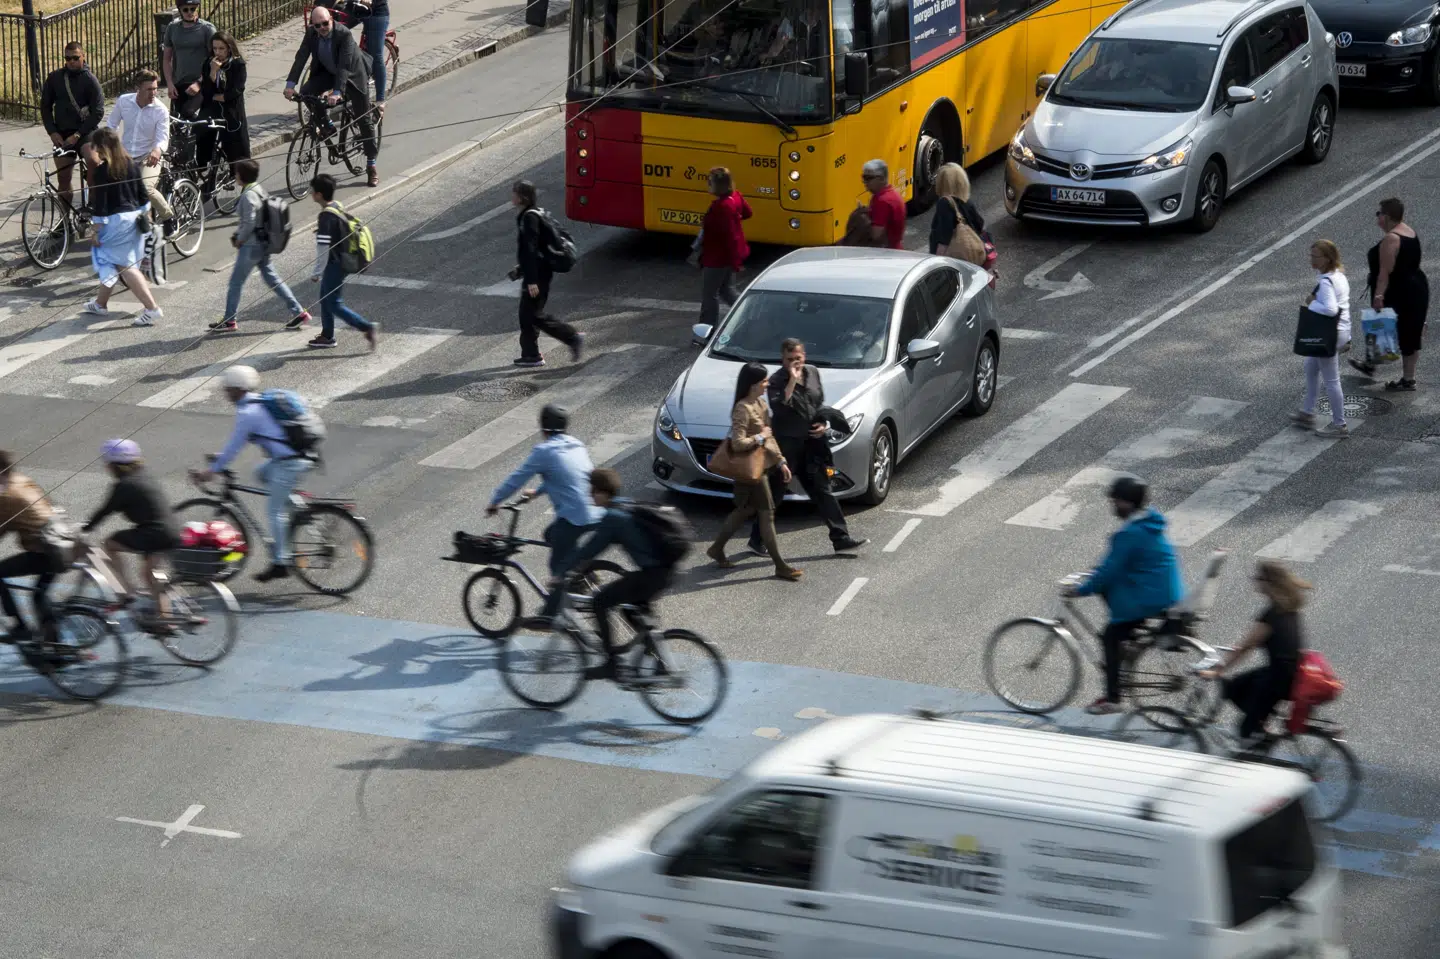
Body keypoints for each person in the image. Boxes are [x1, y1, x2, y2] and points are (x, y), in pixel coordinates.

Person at [1064, 476, 1184, 716]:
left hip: (1149, 596)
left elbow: (1109, 569)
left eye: (1115, 501)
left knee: (1110, 636)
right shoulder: (1149, 523)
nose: (1113, 505)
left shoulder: (1129, 533)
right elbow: (1116, 566)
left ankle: (1113, 699)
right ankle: (1127, 642)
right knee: (1109, 594)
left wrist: (1080, 590)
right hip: (1164, 592)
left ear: (1127, 503)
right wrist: (1097, 576)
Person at [485, 404, 604, 627]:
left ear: (543, 427)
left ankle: (550, 615)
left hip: (575, 516)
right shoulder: (576, 444)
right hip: (597, 509)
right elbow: (567, 477)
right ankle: (582, 575)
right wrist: (538, 492)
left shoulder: (544, 451)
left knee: (557, 564)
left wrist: (495, 501)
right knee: (551, 534)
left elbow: (516, 479)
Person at [552, 469, 677, 680]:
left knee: (599, 601)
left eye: (593, 491)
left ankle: (611, 664)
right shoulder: (625, 504)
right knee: (631, 610)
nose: (590, 495)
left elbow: (589, 549)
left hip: (652, 575)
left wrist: (560, 572)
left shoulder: (613, 517)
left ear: (603, 492)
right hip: (664, 571)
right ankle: (660, 661)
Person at [192, 366, 314, 583]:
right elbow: (244, 441)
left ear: (237, 389)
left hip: (290, 462)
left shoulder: (248, 413)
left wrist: (210, 472)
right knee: (261, 473)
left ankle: (281, 563)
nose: (225, 393)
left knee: (274, 511)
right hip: (294, 456)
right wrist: (220, 458)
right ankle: (295, 504)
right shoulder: (259, 403)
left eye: (228, 389)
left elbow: (234, 447)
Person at [747, 338, 866, 555]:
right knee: (775, 495)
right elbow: (780, 409)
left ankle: (841, 539)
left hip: (811, 446)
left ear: (804, 356)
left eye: (798, 358)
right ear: (783, 359)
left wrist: (823, 424)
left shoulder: (812, 372)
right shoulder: (776, 381)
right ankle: (757, 539)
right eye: (789, 359)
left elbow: (817, 403)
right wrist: (792, 381)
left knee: (823, 491)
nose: (795, 362)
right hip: (786, 448)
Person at [706, 362, 802, 580]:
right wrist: (760, 436)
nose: (767, 384)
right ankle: (780, 565)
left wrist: (781, 461)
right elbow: (738, 443)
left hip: (761, 468)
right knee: (767, 515)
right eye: (764, 381)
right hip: (751, 471)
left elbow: (770, 438)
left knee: (744, 510)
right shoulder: (742, 408)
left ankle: (716, 548)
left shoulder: (761, 404)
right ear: (752, 385)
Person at [1200, 561, 1307, 741]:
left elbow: (1246, 647)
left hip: (1279, 680)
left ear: (1269, 583)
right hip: (1289, 673)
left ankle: (1257, 734)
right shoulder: (1289, 609)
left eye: (1259, 578)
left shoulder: (1272, 614)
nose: (1255, 581)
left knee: (1245, 731)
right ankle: (1261, 723)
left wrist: (1217, 670)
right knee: (1236, 686)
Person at [82, 439, 181, 620]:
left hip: (154, 532)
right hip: (171, 529)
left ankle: (126, 592)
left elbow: (105, 511)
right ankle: (166, 620)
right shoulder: (145, 475)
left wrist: (85, 529)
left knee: (109, 544)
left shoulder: (124, 485)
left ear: (115, 465)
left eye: (107, 463)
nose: (106, 467)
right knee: (150, 574)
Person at [210, 158, 311, 334]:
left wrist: (240, 238)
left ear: (241, 175)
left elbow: (249, 222)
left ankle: (229, 320)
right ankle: (299, 312)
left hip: (251, 246)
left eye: (236, 173)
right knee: (273, 279)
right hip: (262, 243)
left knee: (235, 283)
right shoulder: (257, 188)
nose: (235, 175)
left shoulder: (248, 195)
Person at [284, 6, 379, 187]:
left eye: (325, 23)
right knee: (306, 93)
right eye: (317, 25)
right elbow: (301, 57)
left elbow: (344, 66)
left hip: (353, 75)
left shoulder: (343, 34)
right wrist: (290, 85)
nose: (321, 28)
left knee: (363, 119)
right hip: (328, 72)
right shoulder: (311, 33)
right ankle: (327, 125)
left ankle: (371, 164)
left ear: (331, 20)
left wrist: (337, 92)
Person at [79, 128, 164, 328]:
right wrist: (147, 214)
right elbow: (143, 194)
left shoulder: (102, 171)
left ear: (102, 147)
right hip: (135, 218)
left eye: (96, 147)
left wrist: (95, 230)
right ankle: (100, 304)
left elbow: (101, 204)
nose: (95, 151)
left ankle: (152, 308)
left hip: (116, 223)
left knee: (125, 267)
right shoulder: (131, 165)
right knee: (112, 261)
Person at [1351, 197, 1428, 391]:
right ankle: (1382, 368)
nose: (1377, 217)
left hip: (1400, 291)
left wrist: (1378, 296)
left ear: (1387, 216)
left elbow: (1385, 272)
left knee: (1387, 325)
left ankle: (1404, 378)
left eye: (1379, 214)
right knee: (1409, 331)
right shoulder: (1408, 231)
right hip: (1416, 287)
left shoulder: (1391, 239)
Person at [509, 180, 583, 368]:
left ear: (522, 197)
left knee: (533, 315)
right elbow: (537, 249)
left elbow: (531, 249)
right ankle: (530, 354)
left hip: (539, 274)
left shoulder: (529, 218)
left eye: (514, 193)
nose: (512, 196)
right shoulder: (533, 214)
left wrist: (531, 280)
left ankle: (571, 337)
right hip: (539, 270)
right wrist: (521, 269)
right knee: (527, 314)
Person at [0, 450, 66, 645]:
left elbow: (3, 526)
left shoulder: (7, 496)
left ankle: (21, 627)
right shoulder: (21, 480)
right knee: (40, 595)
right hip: (61, 542)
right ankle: (55, 645)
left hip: (47, 552)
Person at [308, 172, 377, 350]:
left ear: (319, 195)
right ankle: (327, 336)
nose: (310, 193)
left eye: (312, 191)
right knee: (325, 298)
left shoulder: (325, 216)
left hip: (335, 264)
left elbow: (323, 248)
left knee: (333, 303)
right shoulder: (336, 206)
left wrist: (316, 272)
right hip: (341, 259)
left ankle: (366, 327)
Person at [1291, 240, 1351, 438]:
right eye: (1311, 255)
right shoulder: (1338, 275)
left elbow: (1331, 309)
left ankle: (1339, 424)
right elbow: (1342, 306)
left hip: (1330, 334)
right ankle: (1307, 413)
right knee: (1310, 365)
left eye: (1315, 256)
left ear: (1327, 259)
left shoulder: (1326, 282)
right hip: (1340, 331)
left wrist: (1312, 303)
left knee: (1332, 380)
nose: (1312, 259)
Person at [105, 69, 175, 234]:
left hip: (148, 157)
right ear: (138, 88)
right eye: (149, 89)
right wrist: (111, 145)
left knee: (145, 187)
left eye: (155, 88)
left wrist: (157, 150)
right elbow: (112, 124)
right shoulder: (124, 101)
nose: (153, 93)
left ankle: (168, 217)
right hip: (126, 156)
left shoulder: (160, 110)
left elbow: (163, 138)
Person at [39, 41, 103, 209]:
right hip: (62, 133)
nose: (71, 62)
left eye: (75, 58)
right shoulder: (55, 78)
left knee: (94, 161)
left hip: (85, 132)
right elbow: (45, 107)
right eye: (67, 58)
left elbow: (98, 112)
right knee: (63, 178)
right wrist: (52, 132)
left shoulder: (91, 80)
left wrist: (78, 134)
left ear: (83, 56)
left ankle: (93, 206)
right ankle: (65, 219)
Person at [197, 31, 250, 200]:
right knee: (201, 131)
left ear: (229, 48)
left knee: (234, 142)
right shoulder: (209, 63)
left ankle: (236, 173)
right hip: (212, 107)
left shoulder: (237, 64)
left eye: (222, 48)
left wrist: (221, 96)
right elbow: (206, 91)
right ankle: (203, 168)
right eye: (215, 48)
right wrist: (213, 73)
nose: (218, 52)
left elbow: (236, 90)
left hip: (231, 110)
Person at [698, 167, 751, 328]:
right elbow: (748, 213)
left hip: (716, 257)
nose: (708, 185)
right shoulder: (736, 197)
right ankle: (748, 313)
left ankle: (707, 328)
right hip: (727, 256)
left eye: (710, 182)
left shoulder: (721, 207)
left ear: (718, 185)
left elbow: (729, 237)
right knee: (726, 290)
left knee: (710, 295)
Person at [162, 1, 216, 120]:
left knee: (188, 112)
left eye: (193, 9)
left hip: (201, 83)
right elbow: (166, 59)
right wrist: (170, 84)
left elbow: (215, 59)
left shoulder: (207, 29)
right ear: (180, 10)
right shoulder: (173, 28)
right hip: (179, 83)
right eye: (185, 10)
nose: (190, 12)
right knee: (176, 120)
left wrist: (199, 83)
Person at [929, 162, 984, 258]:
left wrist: (937, 260)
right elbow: (980, 224)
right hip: (972, 257)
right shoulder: (967, 202)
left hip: (953, 259)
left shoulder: (944, 204)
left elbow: (944, 238)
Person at [862, 158, 905, 249]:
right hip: (895, 250)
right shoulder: (893, 194)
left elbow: (876, 235)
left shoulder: (882, 201)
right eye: (863, 177)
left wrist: (862, 217)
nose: (865, 182)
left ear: (881, 178)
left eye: (868, 178)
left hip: (886, 253)